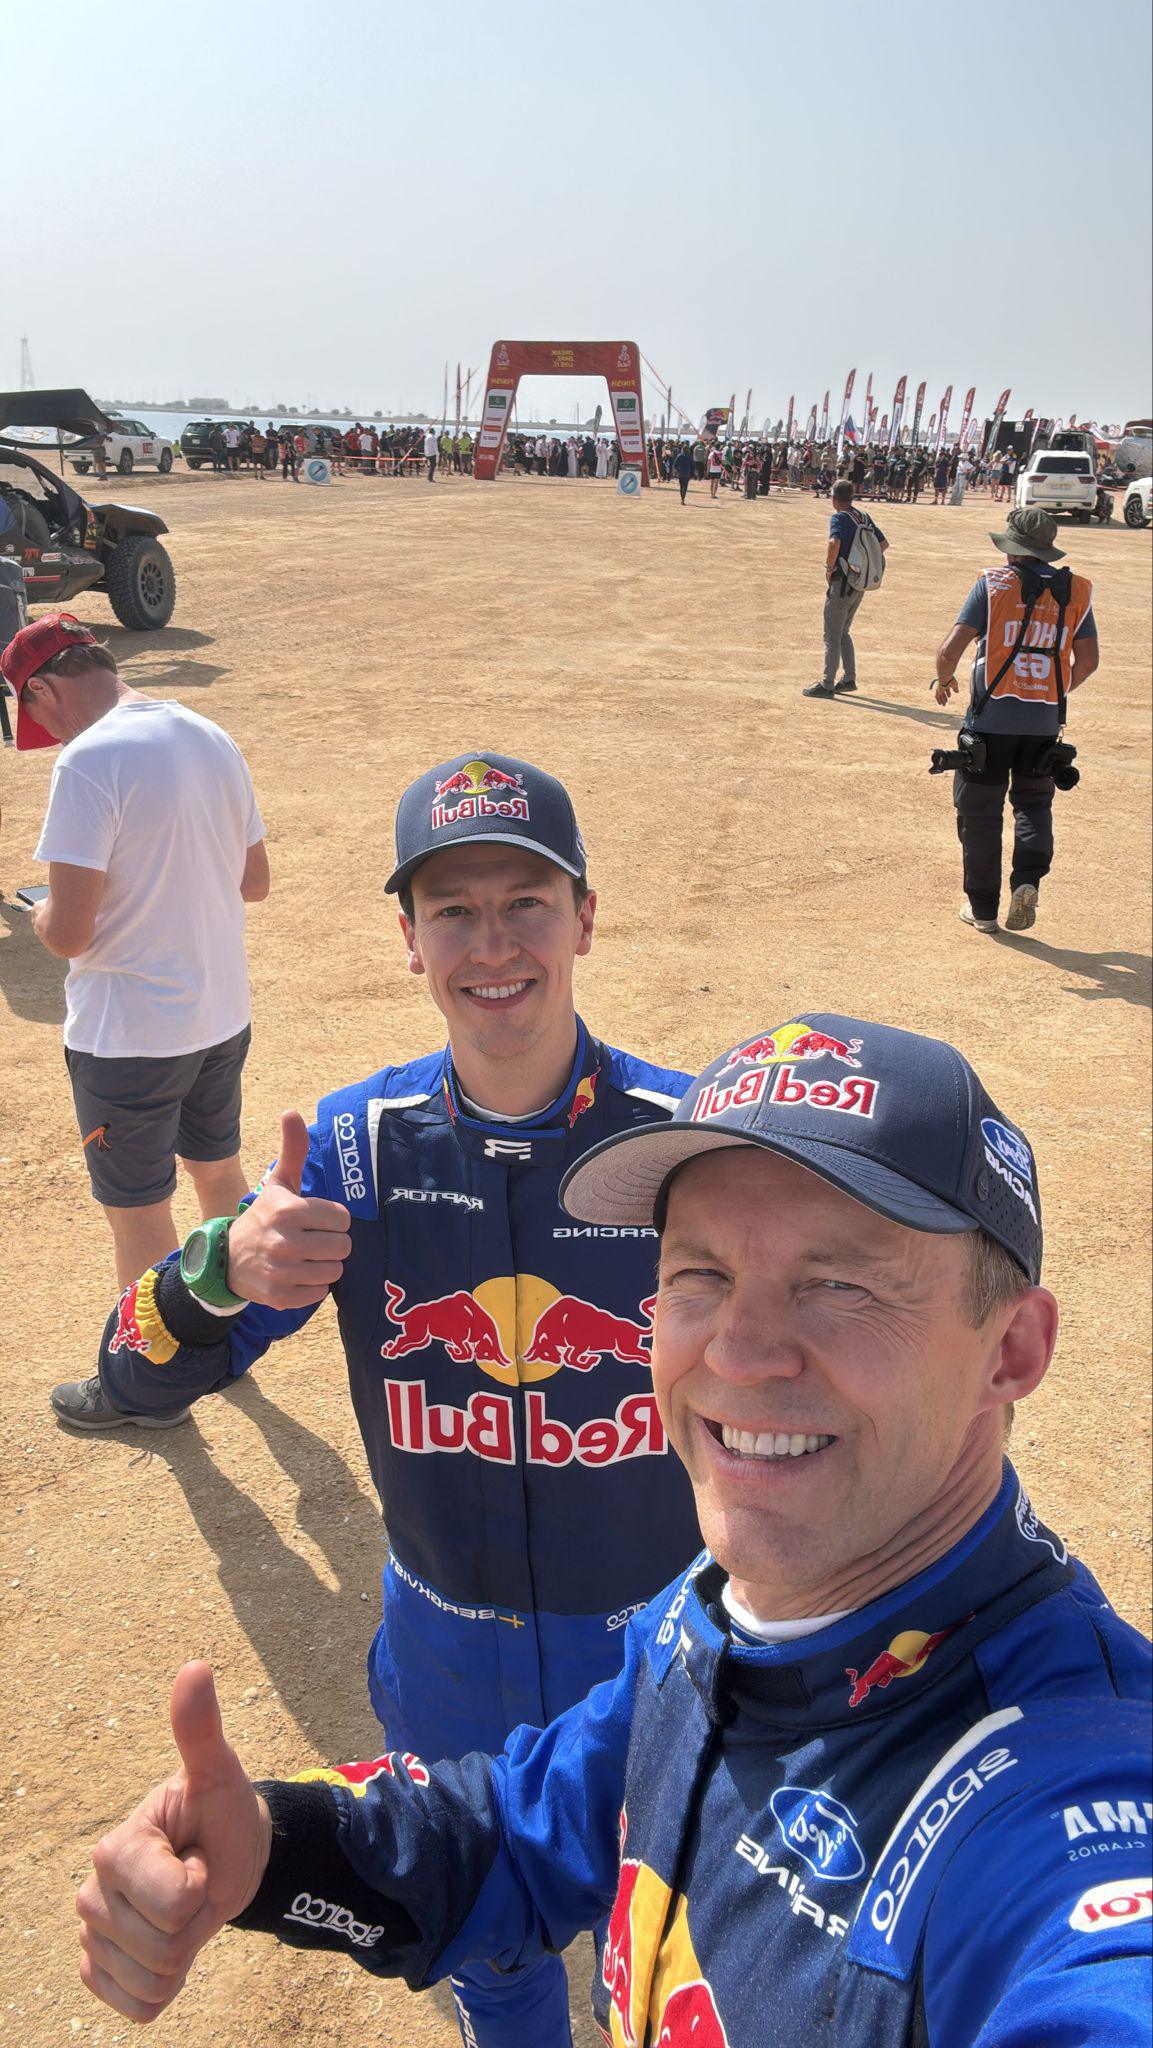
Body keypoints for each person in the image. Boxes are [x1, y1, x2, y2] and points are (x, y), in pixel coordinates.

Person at [76, 1014, 1152, 2046]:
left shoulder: (1064, 1792)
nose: (738, 1352)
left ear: (1011, 1349)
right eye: (699, 1274)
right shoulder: (717, 1608)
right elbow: (528, 1832)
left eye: (839, 1283)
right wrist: (275, 1850)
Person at [62, 752, 700, 2048]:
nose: (492, 943)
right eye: (453, 910)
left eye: (526, 902)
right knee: (493, 1961)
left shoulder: (685, 1146)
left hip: (654, 1665)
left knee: (673, 1959)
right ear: (409, 938)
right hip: (444, 1668)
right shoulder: (354, 1147)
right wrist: (216, 1268)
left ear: (584, 917)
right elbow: (135, 1370)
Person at [0, 614, 268, 1293]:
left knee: (140, 1215)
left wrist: (41, 914)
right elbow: (254, 881)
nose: (50, 734)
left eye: (37, 715)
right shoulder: (208, 733)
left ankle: (153, 1357)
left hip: (129, 1036)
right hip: (219, 1015)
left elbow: (69, 934)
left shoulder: (88, 759)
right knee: (220, 1175)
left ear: (40, 690)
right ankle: (233, 1330)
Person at [933, 506, 1099, 935]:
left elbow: (950, 649)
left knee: (980, 813)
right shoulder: (1077, 590)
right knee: (1034, 804)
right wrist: (1054, 691)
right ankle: (1027, 881)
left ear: (1012, 548)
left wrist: (944, 679)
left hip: (990, 721)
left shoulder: (993, 584)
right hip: (1043, 724)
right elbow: (1088, 660)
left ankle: (984, 910)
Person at [803, 479, 888, 699]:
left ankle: (827, 683)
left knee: (831, 634)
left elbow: (834, 543)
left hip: (842, 582)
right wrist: (862, 565)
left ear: (834, 498)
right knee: (843, 632)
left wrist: (830, 568)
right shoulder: (863, 516)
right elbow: (883, 544)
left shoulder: (839, 518)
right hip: (858, 583)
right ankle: (849, 678)